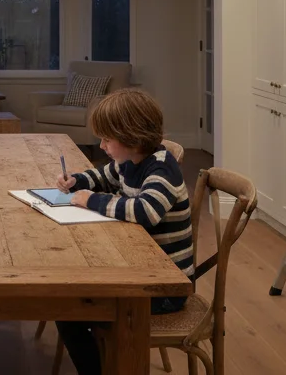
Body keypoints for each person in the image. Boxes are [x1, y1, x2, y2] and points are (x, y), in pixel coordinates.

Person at [53, 88, 193, 375]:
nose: (102, 145)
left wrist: (92, 200)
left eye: (107, 139)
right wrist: (77, 181)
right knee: (69, 304)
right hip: (137, 268)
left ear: (132, 137)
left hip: (163, 286)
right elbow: (102, 176)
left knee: (70, 311)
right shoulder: (128, 160)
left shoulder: (162, 169)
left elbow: (145, 212)